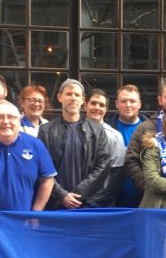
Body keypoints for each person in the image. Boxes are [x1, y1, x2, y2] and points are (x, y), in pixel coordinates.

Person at [38, 79, 111, 209]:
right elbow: (42, 167)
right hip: (55, 203)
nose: (73, 98)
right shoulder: (46, 131)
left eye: (77, 95)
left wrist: (78, 194)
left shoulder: (97, 130)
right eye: (69, 94)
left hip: (86, 203)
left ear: (83, 100)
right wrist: (62, 195)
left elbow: (103, 165)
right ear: (60, 97)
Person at [106, 84, 149, 207]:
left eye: (132, 101)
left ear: (139, 104)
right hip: (112, 199)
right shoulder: (106, 128)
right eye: (124, 101)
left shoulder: (152, 130)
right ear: (116, 104)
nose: (128, 105)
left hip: (144, 198)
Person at [84, 88, 125, 207]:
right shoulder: (74, 131)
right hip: (75, 199)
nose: (97, 107)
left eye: (101, 105)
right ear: (85, 105)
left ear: (106, 109)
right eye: (93, 103)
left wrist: (104, 200)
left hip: (101, 202)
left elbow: (117, 173)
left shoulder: (115, 136)